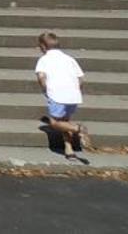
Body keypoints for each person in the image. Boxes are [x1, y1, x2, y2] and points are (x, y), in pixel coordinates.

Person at [35, 31, 91, 159]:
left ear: (43, 47)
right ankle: (69, 149)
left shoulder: (44, 59)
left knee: (55, 123)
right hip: (73, 95)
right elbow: (80, 78)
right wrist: (77, 90)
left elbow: (41, 76)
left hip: (57, 94)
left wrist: (45, 89)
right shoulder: (70, 59)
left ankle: (79, 129)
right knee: (65, 121)